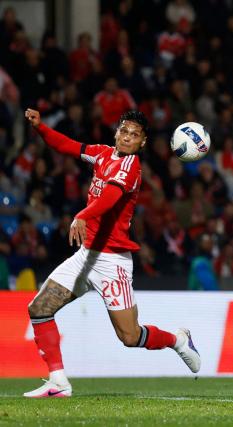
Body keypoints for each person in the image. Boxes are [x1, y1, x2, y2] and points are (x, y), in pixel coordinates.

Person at [22, 108, 201, 398]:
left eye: (135, 135)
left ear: (142, 142)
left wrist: (82, 214)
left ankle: (178, 340)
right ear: (117, 132)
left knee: (129, 337)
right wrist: (41, 127)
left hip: (112, 262)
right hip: (85, 256)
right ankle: (58, 382)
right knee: (39, 309)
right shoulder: (102, 154)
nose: (127, 138)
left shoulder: (131, 166)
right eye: (124, 131)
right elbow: (67, 145)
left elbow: (110, 197)